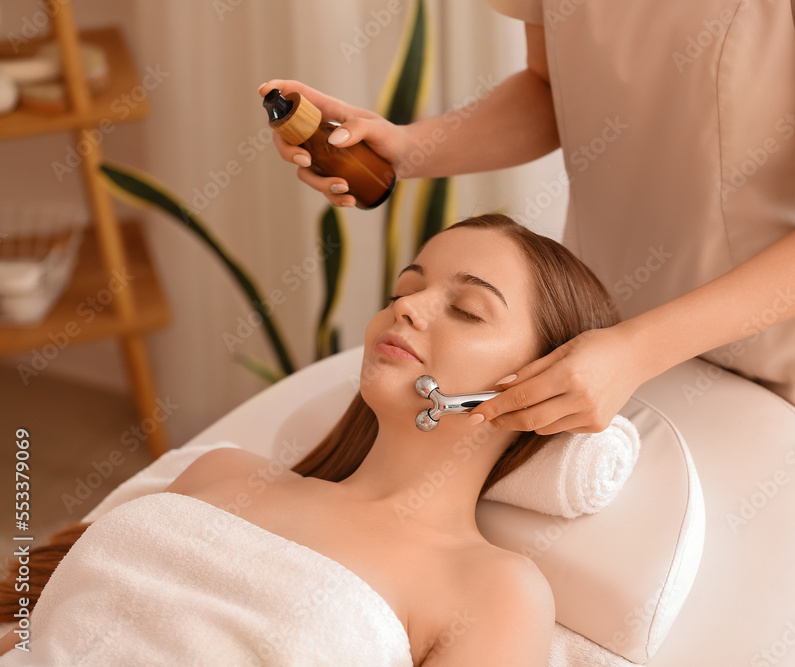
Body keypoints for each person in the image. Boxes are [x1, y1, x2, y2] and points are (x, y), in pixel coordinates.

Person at [257, 0, 795, 527]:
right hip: (593, 349)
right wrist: (409, 149)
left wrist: (631, 350)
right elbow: (548, 88)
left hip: (779, 358)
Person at [0, 214, 621, 665]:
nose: (407, 309)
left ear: (539, 385)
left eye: (466, 309)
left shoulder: (492, 591)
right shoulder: (223, 474)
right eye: (405, 290)